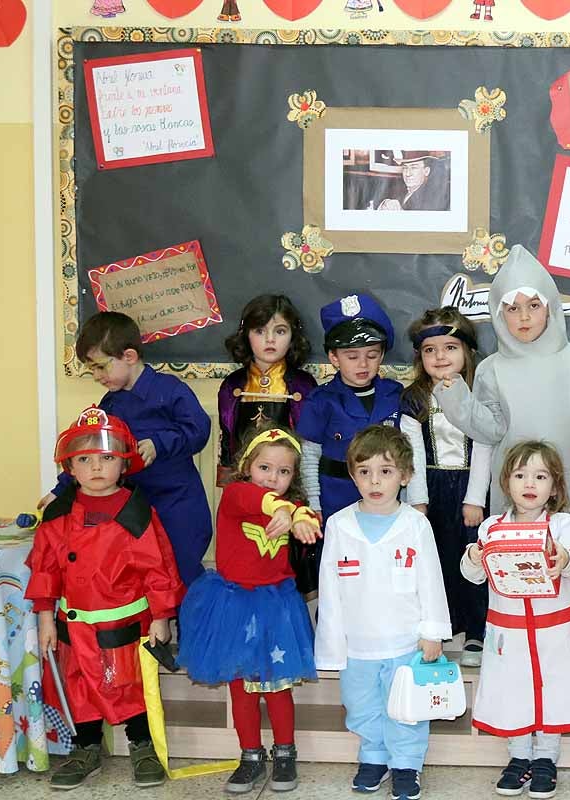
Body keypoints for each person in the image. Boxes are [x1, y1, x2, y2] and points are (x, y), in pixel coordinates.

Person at [435, 245, 570, 616]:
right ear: (498, 313)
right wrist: (457, 398)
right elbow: (490, 429)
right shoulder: (492, 369)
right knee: (516, 567)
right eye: (511, 308)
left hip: (566, 478)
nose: (523, 317)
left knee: (568, 549)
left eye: (533, 305)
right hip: (515, 483)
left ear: (551, 307)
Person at [27, 407, 185, 790]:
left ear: (123, 463)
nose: (96, 468)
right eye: (85, 459)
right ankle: (86, 748)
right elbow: (45, 569)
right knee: (78, 688)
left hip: (121, 626)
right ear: (71, 468)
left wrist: (161, 618)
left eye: (106, 458)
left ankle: (142, 746)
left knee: (128, 686)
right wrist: (46, 618)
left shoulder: (136, 514)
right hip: (72, 627)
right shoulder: (59, 515)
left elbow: (158, 569)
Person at [177, 426, 321, 794]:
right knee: (242, 688)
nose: (273, 478)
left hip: (277, 607)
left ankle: (285, 753)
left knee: (277, 688)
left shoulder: (295, 505)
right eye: (265, 468)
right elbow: (262, 503)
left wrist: (302, 518)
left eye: (284, 472)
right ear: (247, 466)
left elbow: (309, 517)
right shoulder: (237, 494)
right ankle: (250, 755)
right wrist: (286, 511)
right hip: (235, 606)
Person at [315, 425, 451, 800]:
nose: (375, 481)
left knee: (405, 708)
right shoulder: (340, 525)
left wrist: (433, 631)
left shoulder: (415, 524)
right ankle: (373, 756)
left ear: (405, 476)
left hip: (405, 641)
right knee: (362, 705)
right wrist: (331, 642)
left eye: (386, 471)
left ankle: (407, 763)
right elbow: (329, 590)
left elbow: (431, 580)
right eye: (364, 471)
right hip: (357, 644)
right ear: (352, 474)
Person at [461, 441, 570, 799]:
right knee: (512, 691)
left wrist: (565, 559)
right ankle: (519, 757)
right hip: (508, 634)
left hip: (554, 631)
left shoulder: (563, 524)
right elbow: (472, 575)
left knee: (554, 690)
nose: (530, 483)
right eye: (521, 475)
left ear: (555, 486)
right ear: (506, 482)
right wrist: (475, 554)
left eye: (540, 476)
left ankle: (546, 759)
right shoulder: (491, 527)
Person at [39, 312, 212, 586]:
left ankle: (189, 626)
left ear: (129, 357)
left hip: (179, 504)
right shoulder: (111, 403)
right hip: (133, 505)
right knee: (138, 574)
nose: (96, 376)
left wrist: (159, 444)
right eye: (91, 368)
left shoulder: (170, 390)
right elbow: (91, 450)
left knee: (181, 573)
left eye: (100, 367)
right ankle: (152, 629)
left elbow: (199, 429)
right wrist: (60, 491)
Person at [296, 293, 427, 592]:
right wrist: (313, 503)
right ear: (333, 357)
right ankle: (336, 615)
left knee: (387, 557)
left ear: (382, 355)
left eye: (372, 354)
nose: (363, 364)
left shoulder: (396, 395)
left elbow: (411, 454)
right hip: (335, 494)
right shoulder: (321, 400)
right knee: (340, 562)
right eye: (352, 356)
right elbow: (309, 455)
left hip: (387, 494)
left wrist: (415, 500)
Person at [403, 307, 492, 667]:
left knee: (472, 556)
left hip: (472, 486)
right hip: (433, 485)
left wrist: (474, 499)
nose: (440, 356)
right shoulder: (414, 398)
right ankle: (440, 624)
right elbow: (411, 450)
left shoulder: (480, 392)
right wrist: (418, 500)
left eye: (450, 347)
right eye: (430, 350)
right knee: (435, 559)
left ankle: (475, 629)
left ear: (467, 351)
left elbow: (484, 444)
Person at [218, 294, 317, 487]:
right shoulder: (233, 385)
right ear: (246, 334)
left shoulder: (303, 385)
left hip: (288, 484)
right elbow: (226, 439)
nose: (270, 339)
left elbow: (309, 446)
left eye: (280, 331)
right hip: (243, 484)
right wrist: (228, 485)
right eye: (260, 331)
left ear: (292, 337)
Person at [377, 152, 450, 212]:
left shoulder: (432, 197)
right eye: (405, 168)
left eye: (414, 167)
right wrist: (385, 204)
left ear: (426, 171)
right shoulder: (400, 189)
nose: (408, 174)